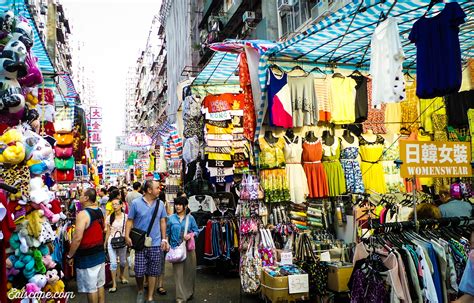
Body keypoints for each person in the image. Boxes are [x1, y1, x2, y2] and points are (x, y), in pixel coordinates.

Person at [125, 180, 168, 303]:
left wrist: (164, 239)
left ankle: (150, 297)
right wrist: (127, 236)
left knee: (153, 271)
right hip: (140, 243)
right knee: (139, 271)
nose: (159, 190)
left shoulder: (160, 204)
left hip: (155, 243)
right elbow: (130, 220)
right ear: (149, 190)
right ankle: (140, 290)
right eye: (157, 188)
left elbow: (163, 221)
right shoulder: (136, 203)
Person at [67, 188, 106, 303]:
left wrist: (70, 255)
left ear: (86, 198)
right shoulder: (99, 211)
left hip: (88, 256)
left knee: (91, 288)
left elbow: (77, 238)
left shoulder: (83, 214)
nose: (79, 196)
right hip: (99, 253)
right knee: (100, 284)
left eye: (81, 194)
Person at [166, 197, 199, 303]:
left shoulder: (191, 218)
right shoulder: (171, 218)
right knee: (178, 274)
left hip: (189, 249)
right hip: (176, 249)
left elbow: (196, 231)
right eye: (176, 204)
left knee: (189, 273)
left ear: (185, 206)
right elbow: (167, 233)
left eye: (180, 205)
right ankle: (180, 297)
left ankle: (188, 293)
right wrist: (166, 242)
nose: (178, 206)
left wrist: (190, 235)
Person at [105, 199, 128, 293]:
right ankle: (114, 284)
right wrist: (105, 243)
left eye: (116, 204)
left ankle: (122, 275)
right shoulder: (109, 217)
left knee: (123, 262)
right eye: (112, 204)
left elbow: (129, 229)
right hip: (112, 241)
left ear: (121, 205)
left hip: (122, 241)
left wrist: (128, 239)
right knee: (113, 263)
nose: (114, 206)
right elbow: (108, 231)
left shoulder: (126, 217)